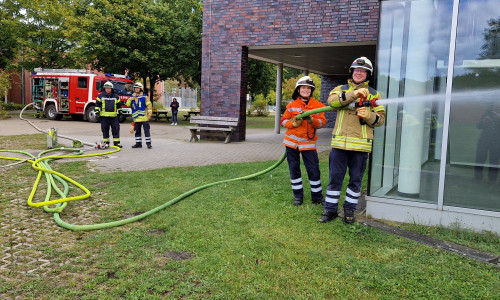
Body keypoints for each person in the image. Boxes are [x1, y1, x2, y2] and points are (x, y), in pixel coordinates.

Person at [319, 56, 386, 224]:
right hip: (339, 145)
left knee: (355, 181)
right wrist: (353, 94)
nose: (359, 72)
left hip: (361, 147)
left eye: (363, 71)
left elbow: (381, 119)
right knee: (335, 179)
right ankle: (330, 210)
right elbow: (332, 102)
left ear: (368, 74)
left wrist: (369, 115)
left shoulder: (374, 94)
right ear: (351, 72)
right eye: (356, 70)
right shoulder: (340, 89)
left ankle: (349, 211)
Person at [281, 76, 326, 206]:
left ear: (311, 90)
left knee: (313, 170)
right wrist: (293, 124)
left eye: (308, 88)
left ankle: (317, 197)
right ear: (298, 89)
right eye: (303, 88)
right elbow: (283, 121)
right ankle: (298, 197)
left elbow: (322, 123)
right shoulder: (291, 106)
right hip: (291, 144)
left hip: (308, 144)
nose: (306, 90)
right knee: (294, 169)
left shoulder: (318, 106)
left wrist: (312, 121)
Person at [474, 101, 500, 183]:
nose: (496, 107)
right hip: (484, 141)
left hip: (496, 142)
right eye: (495, 105)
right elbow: (478, 126)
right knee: (480, 158)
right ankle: (478, 178)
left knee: (494, 160)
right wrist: (484, 122)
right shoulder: (487, 113)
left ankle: (492, 179)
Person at [95, 81, 122, 148]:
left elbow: (119, 106)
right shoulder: (100, 96)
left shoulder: (116, 96)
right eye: (106, 88)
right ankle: (106, 143)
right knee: (105, 130)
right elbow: (97, 105)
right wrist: (97, 113)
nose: (107, 89)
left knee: (116, 130)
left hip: (114, 117)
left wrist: (120, 113)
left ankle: (117, 143)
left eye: (109, 88)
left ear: (111, 89)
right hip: (104, 117)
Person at [126, 82, 153, 149]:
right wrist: (130, 99)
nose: (136, 89)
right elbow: (127, 104)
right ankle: (138, 144)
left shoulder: (144, 97)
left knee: (146, 131)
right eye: (135, 88)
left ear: (141, 89)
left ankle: (148, 144)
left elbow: (149, 106)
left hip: (144, 118)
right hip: (136, 118)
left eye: (138, 88)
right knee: (137, 132)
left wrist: (150, 114)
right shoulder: (132, 96)